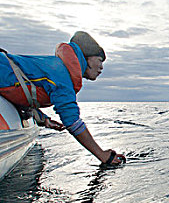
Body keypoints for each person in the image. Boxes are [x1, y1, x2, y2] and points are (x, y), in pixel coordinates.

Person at [0, 31, 125, 165]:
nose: (101, 67)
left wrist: (43, 119)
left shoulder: (57, 69)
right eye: (100, 61)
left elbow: (20, 90)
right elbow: (73, 122)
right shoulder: (62, 76)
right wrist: (103, 156)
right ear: (86, 58)